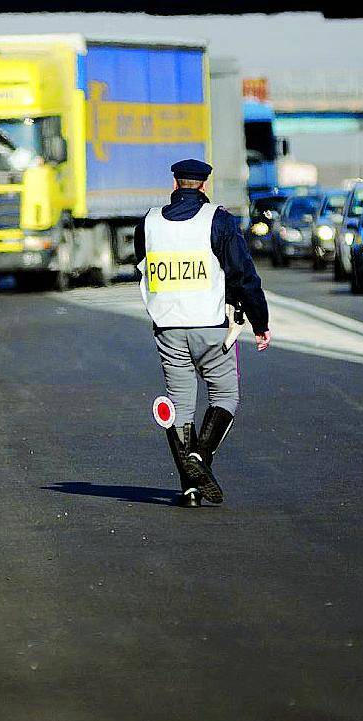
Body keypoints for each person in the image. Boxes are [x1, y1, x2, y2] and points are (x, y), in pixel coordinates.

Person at [135, 159, 271, 508]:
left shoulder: (148, 223)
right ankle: (199, 455)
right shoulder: (219, 221)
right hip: (211, 327)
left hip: (167, 327)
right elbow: (243, 275)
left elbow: (141, 265)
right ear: (204, 186)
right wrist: (260, 323)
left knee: (181, 404)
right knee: (224, 396)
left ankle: (190, 489)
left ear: (175, 183)